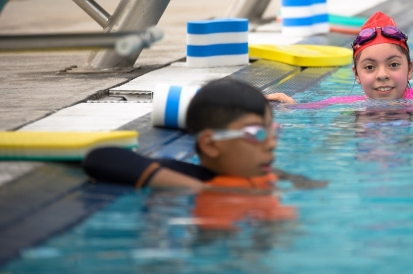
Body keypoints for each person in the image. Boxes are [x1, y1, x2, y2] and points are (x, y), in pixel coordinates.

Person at [83, 78, 326, 191]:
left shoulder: (262, 171)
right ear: (210, 145)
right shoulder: (195, 177)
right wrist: (205, 190)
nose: (272, 143)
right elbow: (100, 158)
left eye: (273, 131)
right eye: (256, 133)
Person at [267, 11, 413, 105]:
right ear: (356, 74)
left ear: (410, 69)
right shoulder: (344, 104)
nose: (383, 75)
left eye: (393, 64)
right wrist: (288, 104)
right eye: (369, 67)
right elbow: (303, 110)